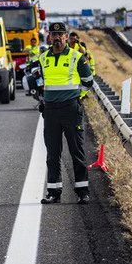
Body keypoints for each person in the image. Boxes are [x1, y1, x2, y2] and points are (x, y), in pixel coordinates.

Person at [40, 22, 94, 204]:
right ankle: (54, 192)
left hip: (71, 109)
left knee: (76, 151)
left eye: (60, 34)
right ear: (50, 37)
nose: (57, 37)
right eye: (54, 34)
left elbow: (88, 82)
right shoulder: (43, 58)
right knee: (52, 153)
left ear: (65, 37)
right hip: (51, 111)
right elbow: (43, 82)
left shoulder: (76, 57)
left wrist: (76, 97)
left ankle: (82, 191)